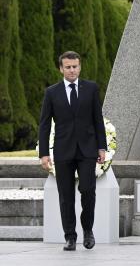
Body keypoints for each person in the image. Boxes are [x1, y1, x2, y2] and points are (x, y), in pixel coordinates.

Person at [38, 51, 107, 251]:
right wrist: (44, 153)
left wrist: (101, 147)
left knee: (88, 190)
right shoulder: (52, 92)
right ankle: (70, 236)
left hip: (87, 150)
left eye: (75, 66)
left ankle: (88, 230)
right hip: (63, 151)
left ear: (79, 66)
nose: (72, 70)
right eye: (68, 67)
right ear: (61, 68)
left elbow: (97, 120)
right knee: (65, 195)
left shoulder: (91, 88)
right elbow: (44, 125)